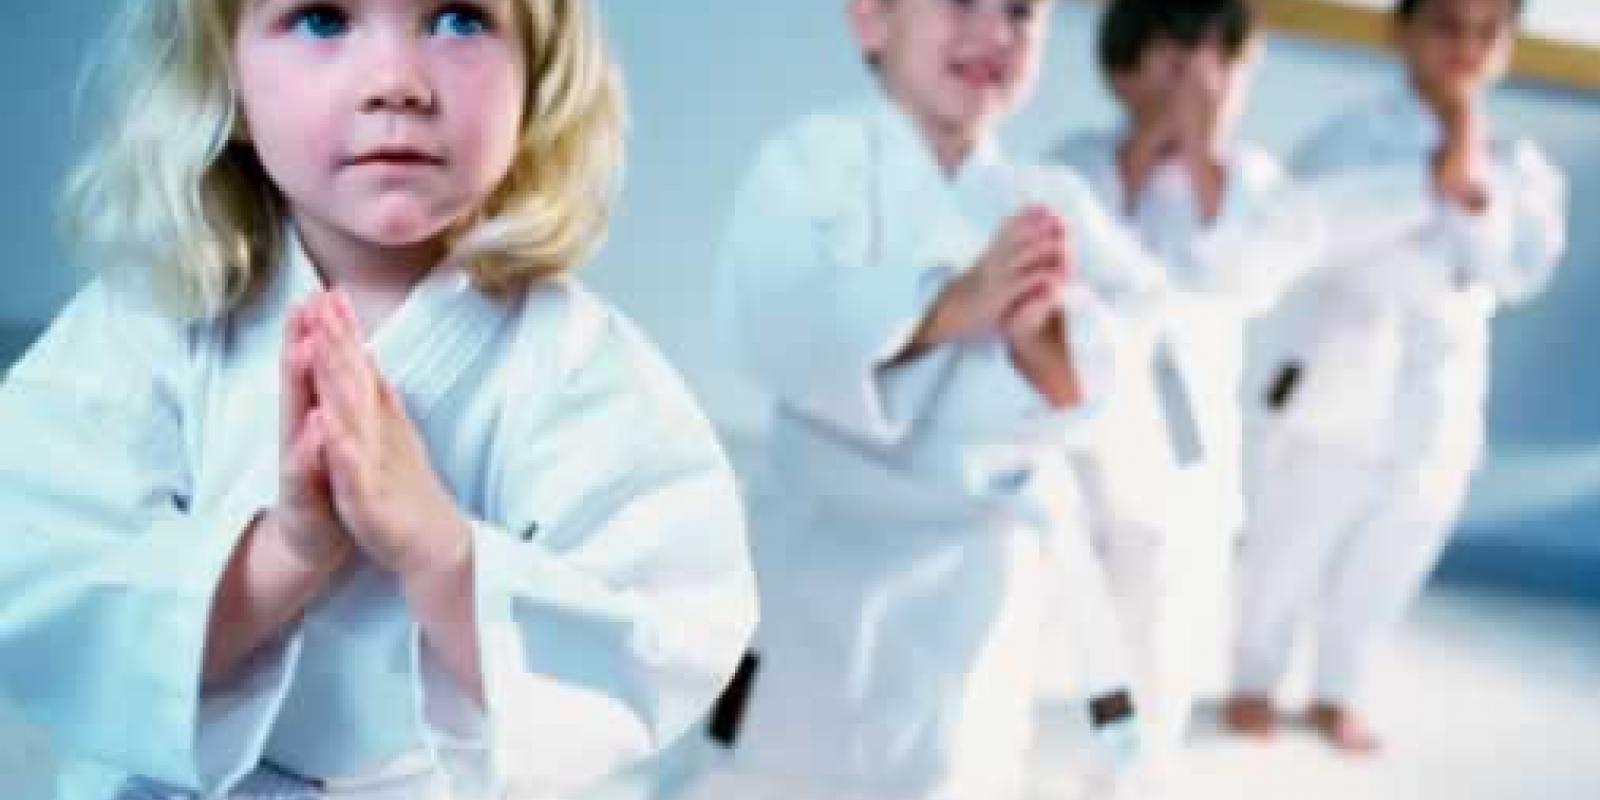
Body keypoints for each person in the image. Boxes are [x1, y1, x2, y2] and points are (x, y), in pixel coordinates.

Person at [0, 1, 757, 797]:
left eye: (459, 19)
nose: (396, 83)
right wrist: (282, 556)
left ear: (536, 75)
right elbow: (38, 562)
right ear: (227, 78)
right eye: (323, 19)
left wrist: (437, 549)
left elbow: (665, 633)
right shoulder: (154, 320)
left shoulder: (572, 363)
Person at [696, 1, 1170, 798]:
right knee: (770, 765)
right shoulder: (811, 163)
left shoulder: (1051, 202)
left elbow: (1130, 346)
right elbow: (773, 321)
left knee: (956, 765)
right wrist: (952, 305)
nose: (995, 32)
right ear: (871, 19)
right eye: (961, 1)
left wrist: (1041, 341)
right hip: (818, 546)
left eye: (1021, 11)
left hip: (978, 568)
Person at [1225, 0, 1567, 754]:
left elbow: (1515, 273)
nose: (1466, 46)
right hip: (1339, 372)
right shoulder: (1350, 139)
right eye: (1446, 24)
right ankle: (1254, 678)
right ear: (1401, 30)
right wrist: (1423, 186)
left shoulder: (1518, 165)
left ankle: (1338, 690)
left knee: (1397, 543)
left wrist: (1469, 182)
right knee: (1290, 538)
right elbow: (1306, 235)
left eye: (1488, 31)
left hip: (1439, 388)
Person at [1045, 0, 1308, 782]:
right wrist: (1148, 148)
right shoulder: (1080, 163)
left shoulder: (1253, 180)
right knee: (1058, 600)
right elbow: (1077, 259)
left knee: (1163, 616)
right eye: (1178, 58)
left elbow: (1249, 276)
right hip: (1080, 424)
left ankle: (1135, 772)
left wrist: (1197, 149)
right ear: (1123, 70)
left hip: (1184, 442)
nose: (1201, 80)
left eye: (1224, 62)